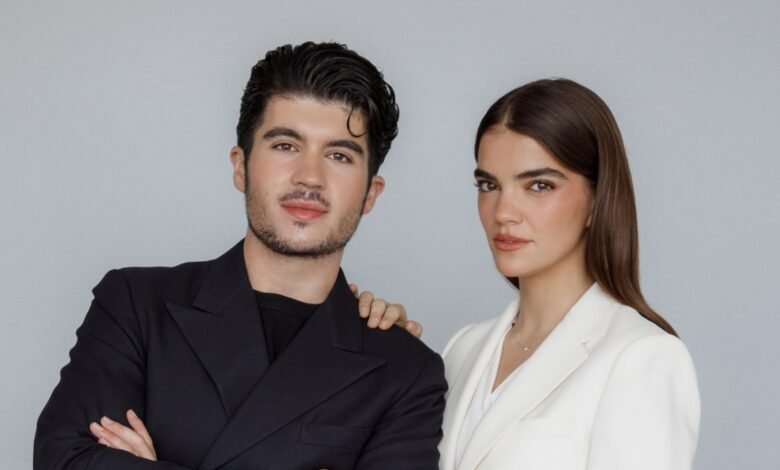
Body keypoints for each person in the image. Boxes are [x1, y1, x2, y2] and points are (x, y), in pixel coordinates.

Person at [34, 42, 446, 470]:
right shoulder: (135, 305)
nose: (310, 176)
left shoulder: (406, 371)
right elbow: (66, 459)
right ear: (240, 166)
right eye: (286, 145)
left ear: (370, 194)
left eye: (339, 155)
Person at [362, 78, 701, 469]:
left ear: (597, 199)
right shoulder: (462, 349)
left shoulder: (642, 357)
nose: (503, 212)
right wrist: (382, 358)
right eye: (489, 185)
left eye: (539, 185)